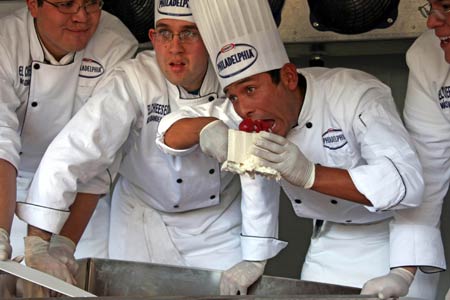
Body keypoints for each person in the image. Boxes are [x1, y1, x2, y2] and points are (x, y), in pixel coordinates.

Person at [157, 0, 435, 299]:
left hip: (394, 243)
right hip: (328, 241)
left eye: (250, 90)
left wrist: (311, 174)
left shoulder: (355, 93)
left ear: (288, 77)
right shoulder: (248, 113)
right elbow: (168, 129)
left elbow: (405, 183)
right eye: (233, 96)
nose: (244, 108)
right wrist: (205, 128)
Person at [16, 0, 287, 296]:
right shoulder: (134, 78)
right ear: (153, 37)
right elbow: (76, 148)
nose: (175, 48)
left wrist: (255, 255)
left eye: (189, 33)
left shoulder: (236, 82)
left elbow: (256, 168)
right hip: (140, 220)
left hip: (220, 226)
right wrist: (40, 244)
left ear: (210, 38)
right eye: (165, 33)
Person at [0, 0, 137, 263]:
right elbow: (1, 139)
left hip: (82, 201)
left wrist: (64, 246)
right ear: (33, 5)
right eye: (66, 4)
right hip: (7, 187)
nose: (81, 17)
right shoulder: (6, 40)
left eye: (91, 4)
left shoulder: (116, 43)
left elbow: (97, 145)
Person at [365, 1, 450, 298]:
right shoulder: (428, 55)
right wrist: (403, 270)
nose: (433, 23)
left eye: (448, 7)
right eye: (433, 8)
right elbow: (427, 170)